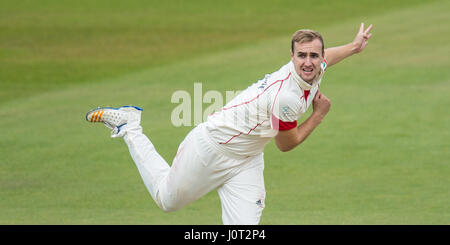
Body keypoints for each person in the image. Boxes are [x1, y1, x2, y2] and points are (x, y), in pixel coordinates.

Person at [85, 23, 373, 225]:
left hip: (247, 160)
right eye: (301, 56)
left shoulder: (314, 67)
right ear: (291, 57)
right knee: (167, 201)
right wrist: (319, 114)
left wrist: (355, 47)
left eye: (314, 55)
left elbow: (329, 58)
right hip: (211, 148)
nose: (308, 62)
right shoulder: (286, 97)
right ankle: (130, 125)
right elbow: (287, 144)